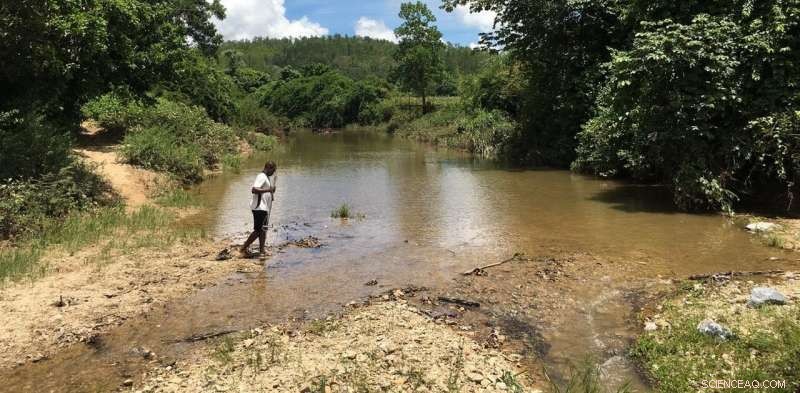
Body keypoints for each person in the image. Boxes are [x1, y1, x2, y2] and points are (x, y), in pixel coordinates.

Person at [240, 161, 277, 258]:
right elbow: (254, 190)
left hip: (264, 208)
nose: (273, 173)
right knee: (258, 230)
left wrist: (271, 193)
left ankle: (262, 251)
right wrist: (269, 190)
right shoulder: (261, 176)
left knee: (263, 230)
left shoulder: (267, 178)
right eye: (273, 170)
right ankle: (243, 248)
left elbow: (266, 192)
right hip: (259, 208)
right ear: (268, 168)